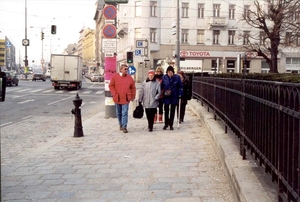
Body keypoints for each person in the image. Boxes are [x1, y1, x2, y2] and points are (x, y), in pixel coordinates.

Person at [109, 64, 136, 133]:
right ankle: (120, 124)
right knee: (119, 113)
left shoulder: (129, 78)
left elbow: (133, 88)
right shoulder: (115, 76)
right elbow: (111, 86)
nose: (126, 70)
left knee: (125, 113)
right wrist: (114, 94)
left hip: (126, 98)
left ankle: (124, 126)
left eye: (127, 69)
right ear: (121, 69)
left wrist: (133, 96)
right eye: (125, 69)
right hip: (117, 98)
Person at [161, 66, 183, 130]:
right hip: (166, 96)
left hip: (174, 95)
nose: (169, 73)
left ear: (173, 72)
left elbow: (180, 86)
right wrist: (162, 93)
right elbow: (161, 86)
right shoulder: (164, 77)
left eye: (171, 72)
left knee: (172, 111)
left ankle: (171, 124)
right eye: (168, 72)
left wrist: (180, 94)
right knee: (166, 110)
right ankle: (166, 123)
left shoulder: (177, 77)